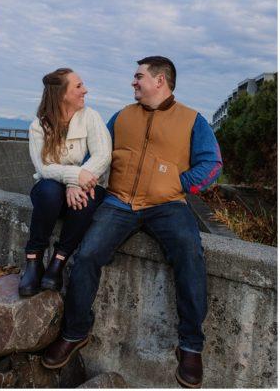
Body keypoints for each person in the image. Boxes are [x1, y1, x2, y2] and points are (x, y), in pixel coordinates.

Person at [42, 57, 222, 389]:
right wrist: (75, 182)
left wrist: (179, 184)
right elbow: (95, 155)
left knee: (190, 256)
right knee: (87, 256)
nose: (133, 82)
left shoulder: (193, 120)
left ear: (160, 80)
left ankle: (191, 346)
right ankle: (75, 332)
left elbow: (212, 165)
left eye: (139, 77)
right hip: (119, 201)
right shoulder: (122, 116)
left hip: (168, 205)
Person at [19, 68, 112, 296]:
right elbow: (43, 167)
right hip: (52, 190)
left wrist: (77, 183)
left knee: (85, 200)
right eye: (79, 86)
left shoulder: (91, 117)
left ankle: (58, 262)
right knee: (49, 191)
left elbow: (103, 156)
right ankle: (34, 259)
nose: (85, 90)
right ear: (62, 94)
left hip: (88, 184)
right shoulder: (39, 126)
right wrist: (74, 177)